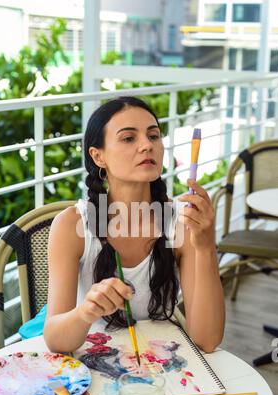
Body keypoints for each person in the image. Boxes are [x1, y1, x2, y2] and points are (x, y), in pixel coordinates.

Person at [44, 96, 225, 354]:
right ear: (98, 157)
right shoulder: (72, 225)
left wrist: (206, 246)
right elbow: (56, 340)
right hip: (94, 369)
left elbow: (207, 340)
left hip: (164, 365)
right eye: (129, 138)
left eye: (153, 136)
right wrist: (86, 310)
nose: (146, 146)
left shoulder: (181, 222)